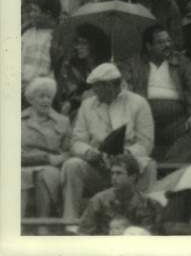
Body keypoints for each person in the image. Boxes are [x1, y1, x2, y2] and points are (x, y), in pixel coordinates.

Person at [61, 63, 155, 222]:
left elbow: (146, 143)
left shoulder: (138, 103)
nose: (95, 92)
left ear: (115, 85)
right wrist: (88, 152)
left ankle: (144, 218)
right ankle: (70, 221)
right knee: (72, 165)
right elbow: (77, 140)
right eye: (94, 87)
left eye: (99, 88)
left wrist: (127, 155)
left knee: (149, 165)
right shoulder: (87, 105)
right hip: (97, 166)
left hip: (127, 167)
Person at [119, 25, 191, 163]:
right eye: (161, 42)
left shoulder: (181, 62)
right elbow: (124, 87)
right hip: (143, 120)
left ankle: (170, 166)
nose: (167, 45)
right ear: (148, 46)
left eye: (168, 41)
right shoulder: (134, 63)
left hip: (176, 121)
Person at [21, 76, 71, 223]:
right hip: (23, 165)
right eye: (41, 96)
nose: (46, 101)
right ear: (31, 99)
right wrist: (45, 157)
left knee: (44, 174)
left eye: (49, 97)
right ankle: (15, 226)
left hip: (51, 167)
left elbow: (69, 149)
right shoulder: (18, 120)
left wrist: (61, 158)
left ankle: (42, 224)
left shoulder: (62, 121)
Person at [77, 152, 162, 236]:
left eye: (119, 173)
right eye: (112, 173)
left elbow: (150, 237)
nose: (114, 177)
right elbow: (84, 233)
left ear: (132, 177)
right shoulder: (98, 201)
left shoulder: (147, 204)